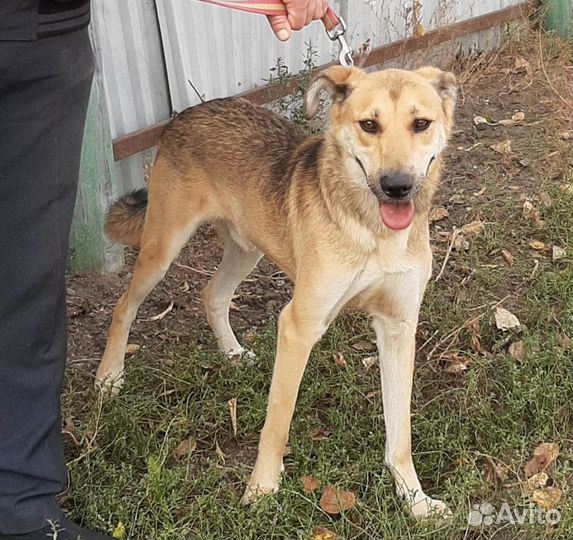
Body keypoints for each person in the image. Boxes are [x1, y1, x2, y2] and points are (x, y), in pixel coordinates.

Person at [0, 1, 327, 538]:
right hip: (197, 157)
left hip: (45, 29)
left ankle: (17, 504)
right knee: (153, 261)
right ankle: (118, 331)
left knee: (31, 276)